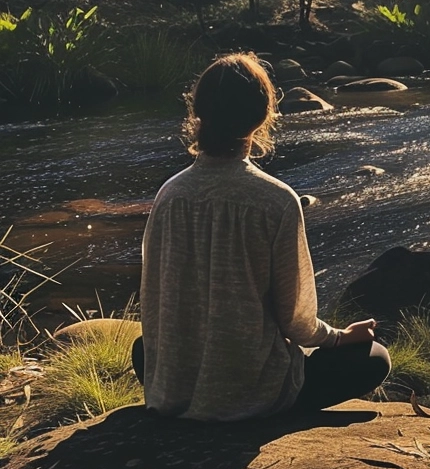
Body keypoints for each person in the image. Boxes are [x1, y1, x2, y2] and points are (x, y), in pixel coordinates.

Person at [134, 52, 390, 421]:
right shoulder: (276, 200)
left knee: (143, 349)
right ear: (263, 116)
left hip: (175, 389)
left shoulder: (169, 195)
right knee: (375, 357)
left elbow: (154, 299)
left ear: (198, 112)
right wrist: (340, 336)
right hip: (251, 392)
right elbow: (297, 323)